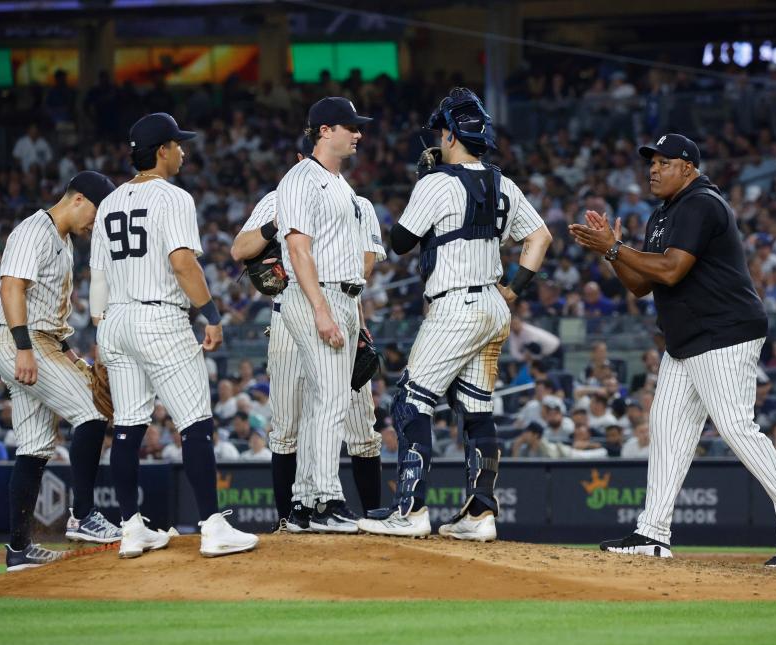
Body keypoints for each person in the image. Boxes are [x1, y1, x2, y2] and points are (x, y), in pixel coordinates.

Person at [570, 133, 776, 568]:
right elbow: (640, 286)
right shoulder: (664, 214)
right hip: (687, 340)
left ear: (688, 167)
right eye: (650, 161)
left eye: (664, 161)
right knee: (666, 426)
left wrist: (614, 247)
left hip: (724, 332)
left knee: (735, 427)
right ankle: (653, 532)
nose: (653, 168)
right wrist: (613, 255)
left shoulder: (703, 203)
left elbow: (670, 271)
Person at [358, 88, 551, 541]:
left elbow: (401, 241)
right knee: (477, 409)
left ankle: (410, 510)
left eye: (440, 133)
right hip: (491, 303)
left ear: (448, 134)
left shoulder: (437, 181)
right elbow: (540, 238)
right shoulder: (505, 183)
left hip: (455, 306)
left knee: (410, 401)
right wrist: (513, 289)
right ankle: (480, 514)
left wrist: (425, 182)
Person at [90, 112, 257, 559]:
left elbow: (99, 276)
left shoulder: (107, 203)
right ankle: (213, 526)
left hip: (116, 320)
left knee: (127, 426)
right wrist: (211, 314)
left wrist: (102, 328)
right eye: (178, 144)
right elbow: (183, 263)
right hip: (160, 317)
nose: (183, 150)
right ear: (162, 150)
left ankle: (131, 528)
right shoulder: (173, 197)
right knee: (195, 423)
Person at [0, 171, 122, 572]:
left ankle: (19, 549)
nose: (95, 224)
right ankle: (83, 515)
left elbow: (48, 313)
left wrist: (69, 356)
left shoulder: (63, 241)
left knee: (34, 448)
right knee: (93, 412)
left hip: (43, 342)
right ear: (79, 199)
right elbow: (11, 287)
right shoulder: (34, 230)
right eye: (96, 214)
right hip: (23, 341)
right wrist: (25, 348)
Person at [232, 188, 384, 531]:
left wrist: (317, 271)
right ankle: (290, 521)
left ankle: (374, 520)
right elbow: (241, 249)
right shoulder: (279, 199)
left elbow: (366, 263)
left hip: (343, 308)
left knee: (361, 425)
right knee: (287, 427)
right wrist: (275, 226)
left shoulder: (360, 203)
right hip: (288, 313)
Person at [275, 97, 373, 533]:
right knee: (332, 400)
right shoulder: (300, 178)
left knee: (323, 401)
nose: (358, 133)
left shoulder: (341, 185)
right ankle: (326, 499)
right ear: (324, 131)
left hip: (344, 297)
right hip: (319, 295)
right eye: (350, 126)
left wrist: (353, 314)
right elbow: (298, 248)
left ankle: (305, 501)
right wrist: (320, 309)